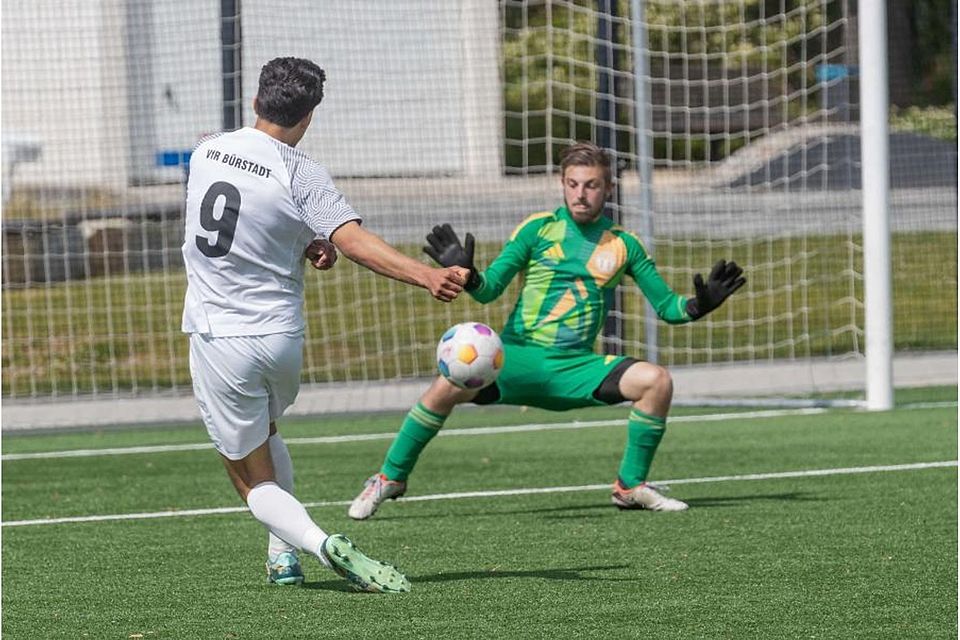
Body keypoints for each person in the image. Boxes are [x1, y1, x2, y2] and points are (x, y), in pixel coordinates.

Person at [181, 56, 469, 592]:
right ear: (309, 115)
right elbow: (350, 240)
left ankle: (320, 544)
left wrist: (307, 240)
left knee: (245, 473)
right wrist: (424, 276)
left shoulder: (205, 150)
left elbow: (231, 211)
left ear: (255, 100)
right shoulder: (300, 172)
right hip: (281, 340)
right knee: (266, 432)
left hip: (221, 338)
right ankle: (280, 557)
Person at [348, 141, 745, 520]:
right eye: (573, 184)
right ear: (562, 185)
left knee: (657, 381)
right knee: (446, 384)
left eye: (591, 185)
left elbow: (668, 308)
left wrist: (700, 305)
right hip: (516, 360)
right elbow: (489, 292)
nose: (581, 194)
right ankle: (389, 478)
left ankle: (630, 486)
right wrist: (468, 276)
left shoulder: (625, 244)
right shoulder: (536, 230)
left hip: (577, 369)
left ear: (608, 187)